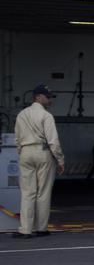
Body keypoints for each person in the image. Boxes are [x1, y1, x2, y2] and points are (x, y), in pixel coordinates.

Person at [13, 84, 65, 239]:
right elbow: (53, 141)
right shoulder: (46, 116)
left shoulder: (21, 114)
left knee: (27, 193)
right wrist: (60, 159)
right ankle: (41, 228)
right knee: (43, 193)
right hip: (43, 153)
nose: (50, 100)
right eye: (47, 97)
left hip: (25, 152)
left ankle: (25, 230)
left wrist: (22, 152)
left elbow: (17, 138)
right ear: (38, 97)